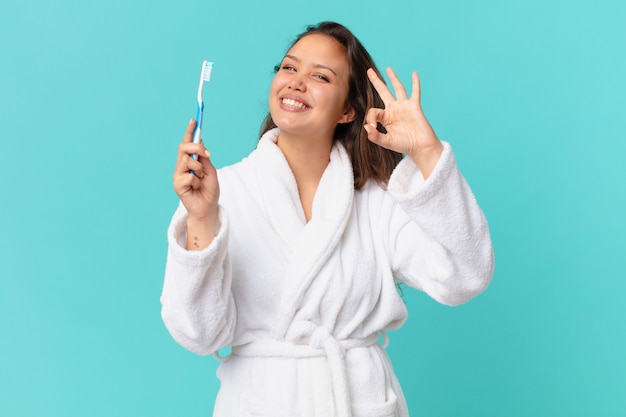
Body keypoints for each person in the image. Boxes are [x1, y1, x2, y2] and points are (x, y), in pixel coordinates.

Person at [161, 21, 494, 417]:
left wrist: (426, 153)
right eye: (288, 68)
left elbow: (466, 275)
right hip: (260, 403)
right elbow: (198, 334)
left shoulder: (377, 200)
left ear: (348, 110)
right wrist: (200, 220)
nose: (296, 83)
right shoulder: (218, 192)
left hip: (358, 400)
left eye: (320, 76)